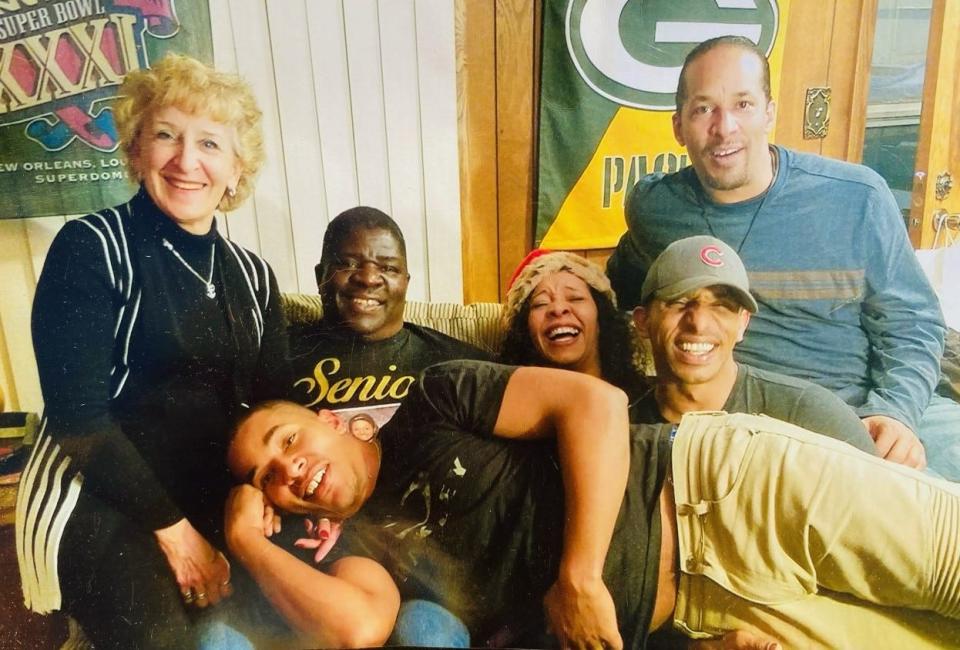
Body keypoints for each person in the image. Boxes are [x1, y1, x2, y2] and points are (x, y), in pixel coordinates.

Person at [228, 365, 960, 649]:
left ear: (327, 417)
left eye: (285, 439)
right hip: (711, 611)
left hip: (728, 491)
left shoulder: (433, 401)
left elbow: (596, 405)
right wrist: (248, 542)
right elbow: (357, 628)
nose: (287, 468)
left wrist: (577, 577)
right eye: (267, 478)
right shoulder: (357, 554)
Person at [16, 54, 288, 648]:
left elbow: (275, 405)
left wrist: (259, 498)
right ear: (137, 155)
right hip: (96, 495)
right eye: (165, 135)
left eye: (210, 144)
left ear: (236, 171)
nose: (187, 161)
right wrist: (180, 536)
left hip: (209, 488)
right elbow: (78, 421)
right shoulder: (91, 247)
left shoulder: (255, 276)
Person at [605, 35, 955, 477]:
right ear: (678, 127)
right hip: (747, 426)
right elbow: (618, 297)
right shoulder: (656, 208)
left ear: (770, 111)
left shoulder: (856, 197)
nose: (724, 127)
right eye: (703, 108)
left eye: (743, 105)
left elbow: (913, 322)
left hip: (863, 411)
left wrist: (896, 411)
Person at [629, 235, 876, 454]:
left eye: (721, 306)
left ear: (742, 324)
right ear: (643, 321)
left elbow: (885, 503)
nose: (699, 324)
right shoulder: (618, 428)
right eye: (679, 302)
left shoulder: (808, 416)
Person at [287, 206, 491, 412]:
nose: (368, 279)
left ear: (405, 282)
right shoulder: (277, 356)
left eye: (388, 268)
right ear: (320, 276)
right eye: (348, 264)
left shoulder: (461, 365)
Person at [499, 249, 645, 397]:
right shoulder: (507, 411)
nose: (557, 309)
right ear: (524, 330)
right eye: (540, 304)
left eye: (575, 298)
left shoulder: (645, 400)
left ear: (602, 317)